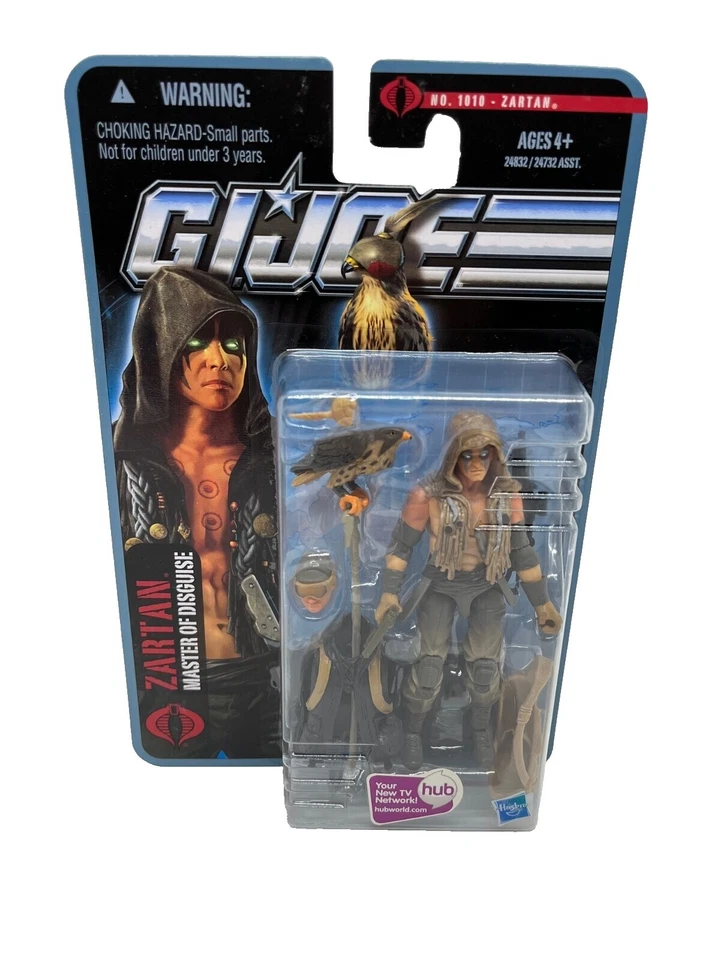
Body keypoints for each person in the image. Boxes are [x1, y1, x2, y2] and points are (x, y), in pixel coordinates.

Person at [115, 265, 279, 759]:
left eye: (232, 344)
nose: (219, 360)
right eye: (196, 343)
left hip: (269, 675)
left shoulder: (275, 456)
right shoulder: (123, 462)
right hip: (166, 682)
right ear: (162, 352)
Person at [374, 412, 561, 771]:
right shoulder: (426, 495)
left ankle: (479, 731)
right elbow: (401, 547)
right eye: (468, 455)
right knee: (429, 666)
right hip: (439, 584)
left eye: (484, 454)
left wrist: (542, 605)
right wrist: (389, 594)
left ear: (495, 455)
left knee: (486, 668)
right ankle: (413, 732)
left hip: (487, 584)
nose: (476, 463)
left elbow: (522, 552)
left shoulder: (506, 497)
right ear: (453, 456)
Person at [293, 552, 401, 765]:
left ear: (333, 585)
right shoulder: (313, 647)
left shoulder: (375, 647)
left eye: (317, 590)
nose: (310, 598)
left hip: (372, 747)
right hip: (320, 747)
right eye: (303, 591)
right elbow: (299, 701)